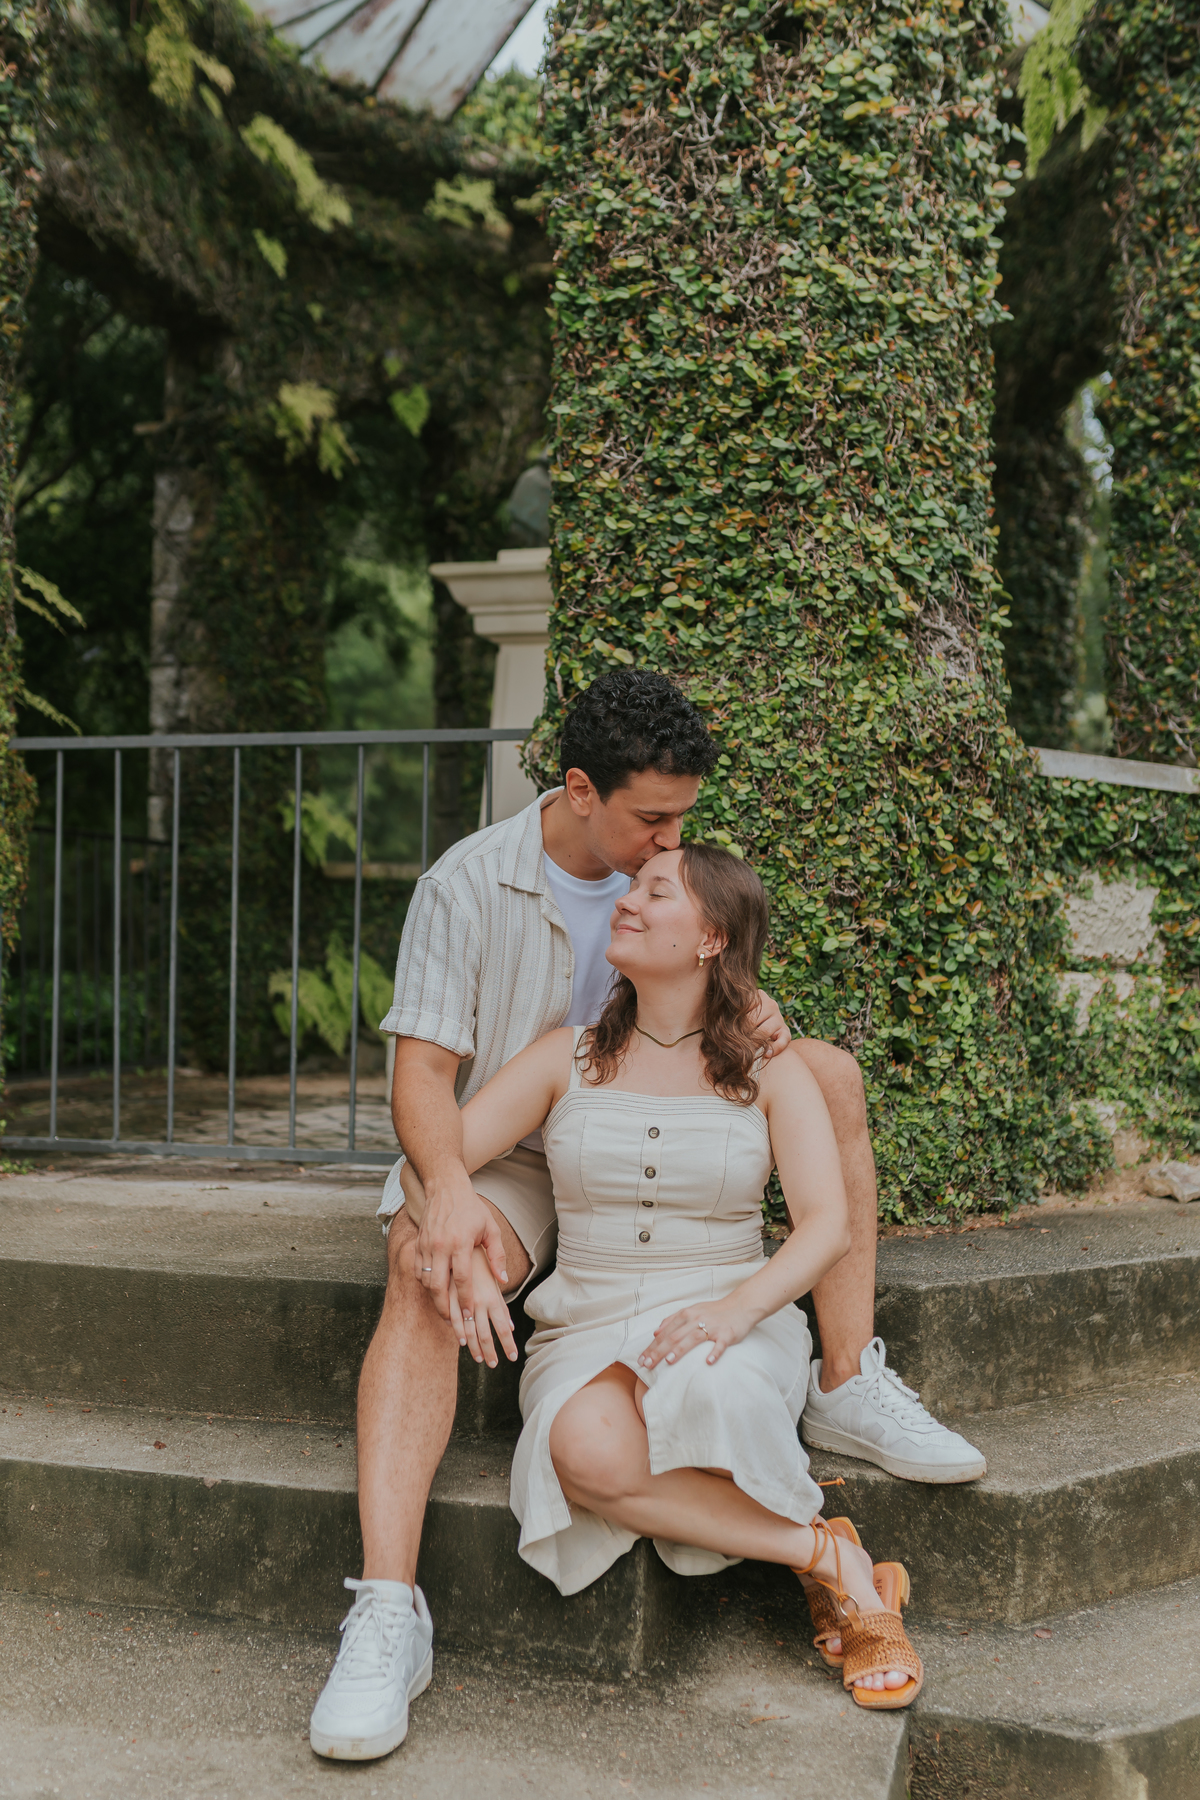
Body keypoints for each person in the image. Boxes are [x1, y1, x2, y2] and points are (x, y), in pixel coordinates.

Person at [308, 670, 979, 1761]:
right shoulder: (469, 885)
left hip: (677, 1107)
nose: (672, 839)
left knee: (831, 1078)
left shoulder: (672, 879)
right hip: (525, 1141)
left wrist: (748, 1015)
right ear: (581, 791)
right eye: (655, 820)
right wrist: (450, 1204)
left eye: (682, 824)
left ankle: (848, 1381)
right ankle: (388, 1609)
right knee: (421, 1258)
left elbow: (740, 1009)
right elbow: (424, 1086)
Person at [432, 842, 922, 1705]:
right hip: (584, 1324)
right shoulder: (564, 1057)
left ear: (709, 938)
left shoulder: (772, 1072)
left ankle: (836, 1567)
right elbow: (436, 1154)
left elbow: (826, 1226)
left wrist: (737, 1313)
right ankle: (828, 1552)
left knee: (715, 1391)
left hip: (731, 1308)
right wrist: (457, 1238)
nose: (627, 902)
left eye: (655, 893)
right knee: (579, 1449)